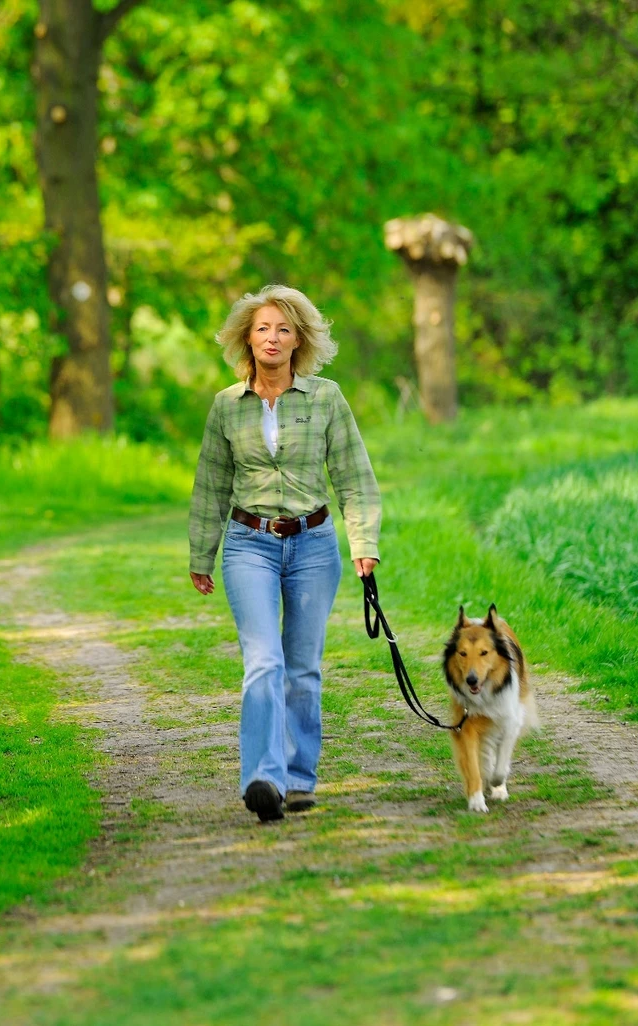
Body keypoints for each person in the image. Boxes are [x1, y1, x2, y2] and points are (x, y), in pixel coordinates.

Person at [188, 284, 381, 823]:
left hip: (314, 545)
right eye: (262, 328)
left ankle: (299, 780)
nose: (272, 338)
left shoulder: (326, 398)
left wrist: (364, 543)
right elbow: (210, 484)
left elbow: (354, 478)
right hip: (249, 543)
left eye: (284, 329)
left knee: (302, 668)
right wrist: (201, 554)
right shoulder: (226, 406)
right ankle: (263, 778)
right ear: (246, 339)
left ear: (300, 341)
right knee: (264, 662)